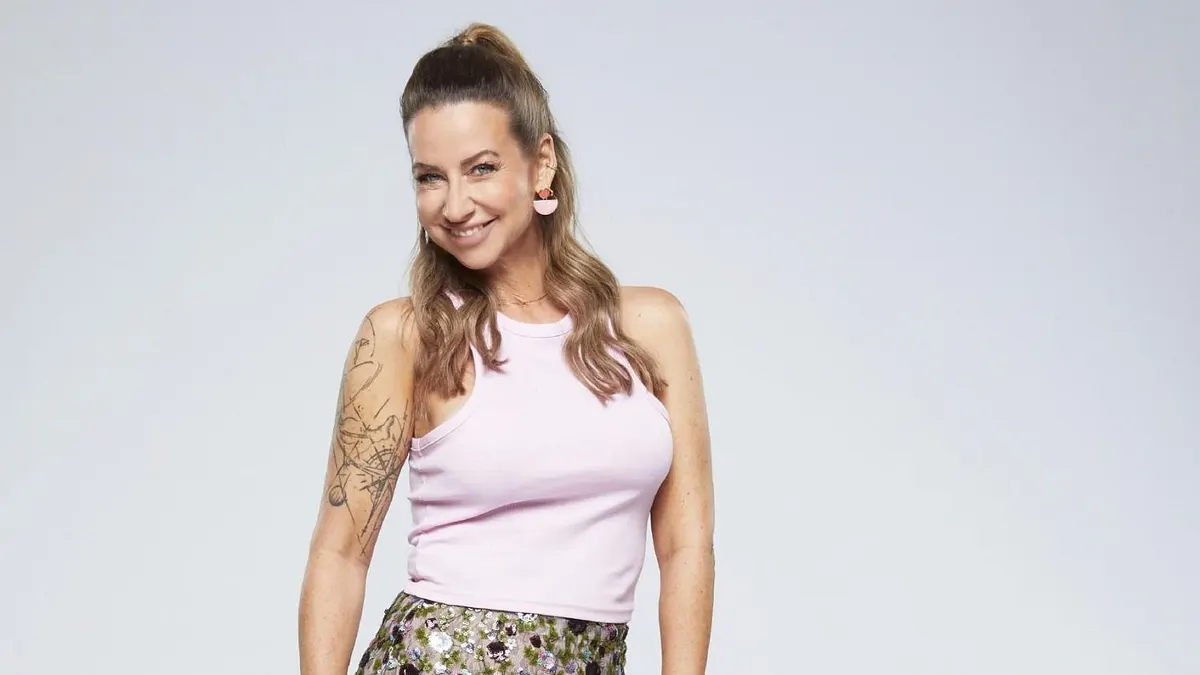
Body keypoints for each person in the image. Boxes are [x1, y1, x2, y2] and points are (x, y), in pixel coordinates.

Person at [298, 22, 714, 675]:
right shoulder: (405, 335)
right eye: (430, 177)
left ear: (541, 164)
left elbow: (687, 545)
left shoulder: (651, 327)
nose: (455, 204)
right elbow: (340, 555)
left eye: (482, 168)